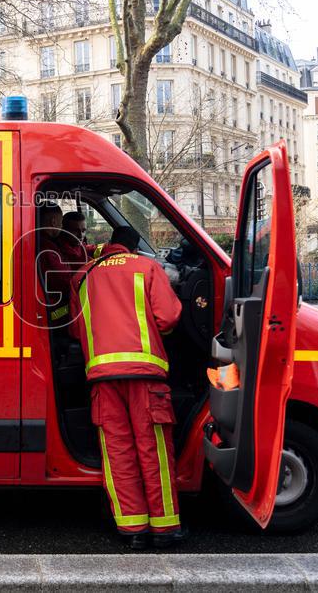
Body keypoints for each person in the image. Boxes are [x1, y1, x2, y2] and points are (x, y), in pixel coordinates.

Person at [68, 226, 184, 549]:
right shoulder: (146, 267)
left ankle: (132, 528)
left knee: (117, 451)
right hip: (145, 376)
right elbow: (169, 317)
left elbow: (77, 331)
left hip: (102, 379)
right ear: (133, 247)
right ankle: (165, 528)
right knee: (153, 449)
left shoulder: (84, 276)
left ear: (108, 245)